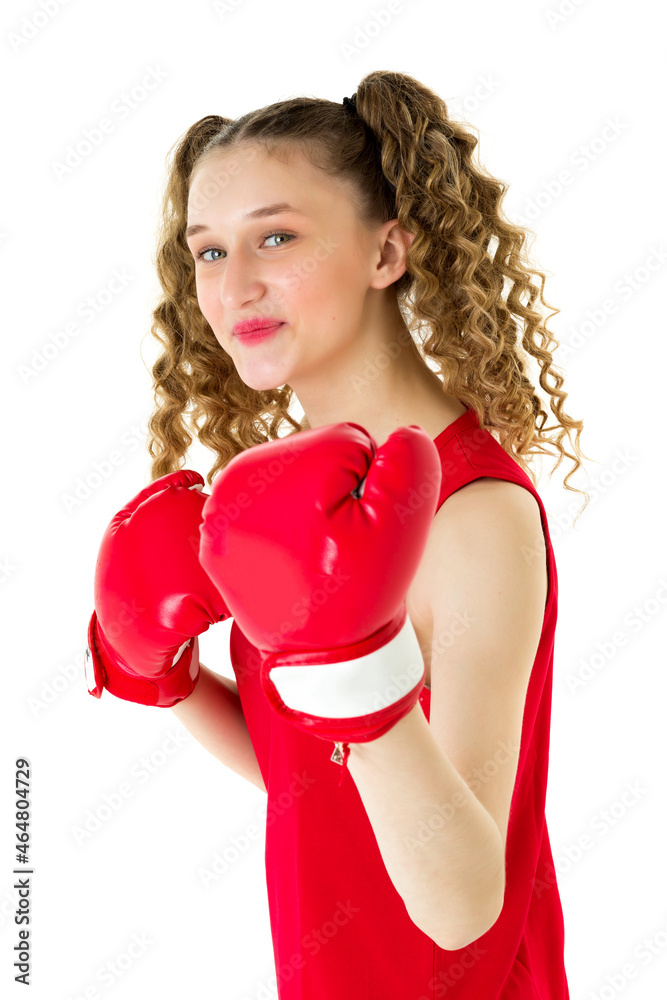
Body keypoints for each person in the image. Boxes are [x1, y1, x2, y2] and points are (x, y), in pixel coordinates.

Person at [86, 70, 590, 998]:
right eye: (207, 251)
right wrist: (164, 677)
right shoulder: (305, 506)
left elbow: (466, 900)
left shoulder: (474, 513)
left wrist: (349, 662)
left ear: (386, 250)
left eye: (276, 237)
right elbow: (313, 777)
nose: (233, 285)